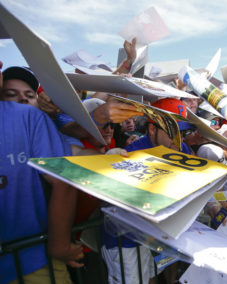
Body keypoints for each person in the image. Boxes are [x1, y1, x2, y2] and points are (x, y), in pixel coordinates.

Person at [0, 60, 83, 284]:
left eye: (29, 94)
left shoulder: (38, 121)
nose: (22, 100)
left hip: (31, 262)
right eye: (11, 93)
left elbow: (75, 156)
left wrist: (59, 245)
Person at [101, 98, 193, 284]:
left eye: (183, 132)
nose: (180, 139)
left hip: (150, 238)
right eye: (174, 132)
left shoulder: (180, 148)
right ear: (152, 129)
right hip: (123, 240)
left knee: (151, 279)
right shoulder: (131, 154)